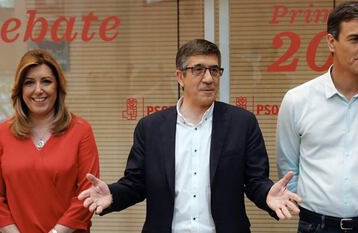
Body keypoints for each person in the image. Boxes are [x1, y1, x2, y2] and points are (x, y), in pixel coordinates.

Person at [78, 38, 302, 233]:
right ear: (180, 76)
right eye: (198, 69)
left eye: (214, 70)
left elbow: (255, 181)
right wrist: (113, 196)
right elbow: (136, 184)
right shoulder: (151, 128)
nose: (208, 78)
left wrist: (267, 196)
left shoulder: (242, 123)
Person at [276, 1, 358, 233]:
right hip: (316, 225)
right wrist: (316, 207)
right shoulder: (297, 100)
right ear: (331, 42)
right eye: (355, 39)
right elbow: (288, 168)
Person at [0, 49, 100, 233]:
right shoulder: (1, 133)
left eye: (46, 81)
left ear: (58, 86)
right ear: (20, 89)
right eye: (29, 83)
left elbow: (88, 193)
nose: (38, 90)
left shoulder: (81, 130)